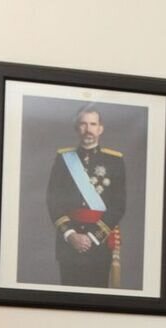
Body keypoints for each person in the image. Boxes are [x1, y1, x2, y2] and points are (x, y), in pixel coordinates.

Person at [46, 105, 126, 288]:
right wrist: (71, 234)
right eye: (83, 124)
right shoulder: (63, 159)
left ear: (100, 128)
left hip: (100, 243)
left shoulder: (115, 161)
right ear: (77, 128)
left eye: (92, 124)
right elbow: (53, 200)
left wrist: (93, 237)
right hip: (69, 243)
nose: (88, 129)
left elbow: (118, 205)